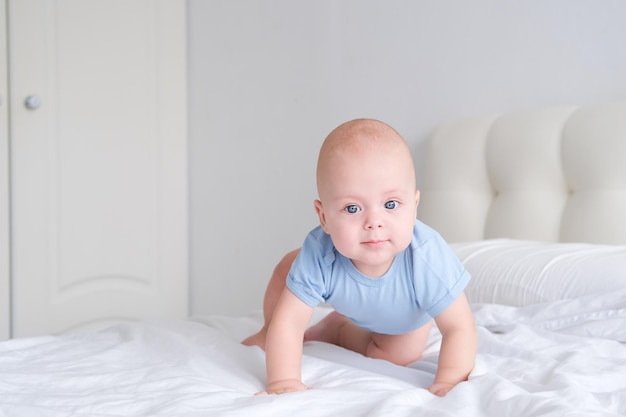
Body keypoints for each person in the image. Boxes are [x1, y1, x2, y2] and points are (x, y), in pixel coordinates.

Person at [242, 118, 476, 397]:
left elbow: (459, 327)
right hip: (351, 298)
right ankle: (268, 332)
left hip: (404, 322)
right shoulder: (319, 252)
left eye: (391, 204)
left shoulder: (426, 258)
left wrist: (448, 382)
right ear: (324, 217)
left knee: (392, 359)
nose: (373, 222)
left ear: (414, 207)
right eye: (352, 208)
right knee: (288, 269)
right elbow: (290, 323)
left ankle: (338, 329)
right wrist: (283, 382)